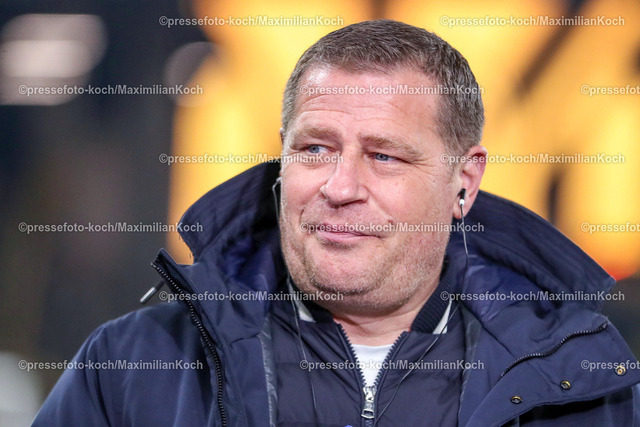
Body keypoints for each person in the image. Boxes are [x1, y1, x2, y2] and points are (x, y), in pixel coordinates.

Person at [34, 19, 640, 426]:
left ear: (465, 180)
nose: (340, 187)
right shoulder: (132, 366)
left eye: (385, 156)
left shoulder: (586, 384)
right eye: (315, 149)